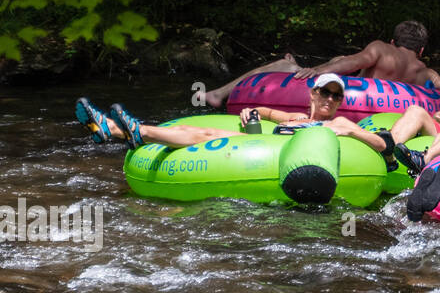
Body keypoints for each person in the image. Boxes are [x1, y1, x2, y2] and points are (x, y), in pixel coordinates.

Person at [76, 74, 398, 163]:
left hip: (282, 157)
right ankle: (114, 129)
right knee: (195, 128)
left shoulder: (339, 124)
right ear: (312, 94)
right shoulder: (298, 116)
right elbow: (273, 114)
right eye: (324, 93)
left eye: (335, 96)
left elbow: (384, 146)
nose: (329, 99)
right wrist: (252, 111)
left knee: (202, 136)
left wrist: (351, 133)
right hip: (268, 142)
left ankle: (132, 130)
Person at [202, 20, 440, 108]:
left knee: (284, 66)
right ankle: (294, 64)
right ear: (421, 49)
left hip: (349, 100)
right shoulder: (427, 73)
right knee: (336, 60)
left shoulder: (381, 49)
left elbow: (352, 63)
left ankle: (217, 95)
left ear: (393, 40)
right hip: (383, 109)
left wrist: (317, 71)